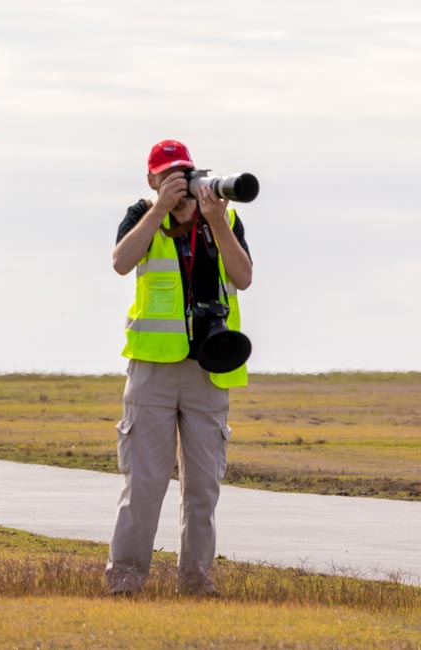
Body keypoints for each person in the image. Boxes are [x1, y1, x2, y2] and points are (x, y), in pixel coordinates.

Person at [107, 140, 254, 596]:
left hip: (210, 367)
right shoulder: (141, 215)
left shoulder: (223, 218)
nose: (181, 182)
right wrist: (159, 211)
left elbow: (243, 277)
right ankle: (126, 580)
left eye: (185, 173)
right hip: (153, 366)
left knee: (203, 487)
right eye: (169, 174)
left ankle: (196, 582)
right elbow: (120, 262)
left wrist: (214, 219)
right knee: (145, 483)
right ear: (151, 180)